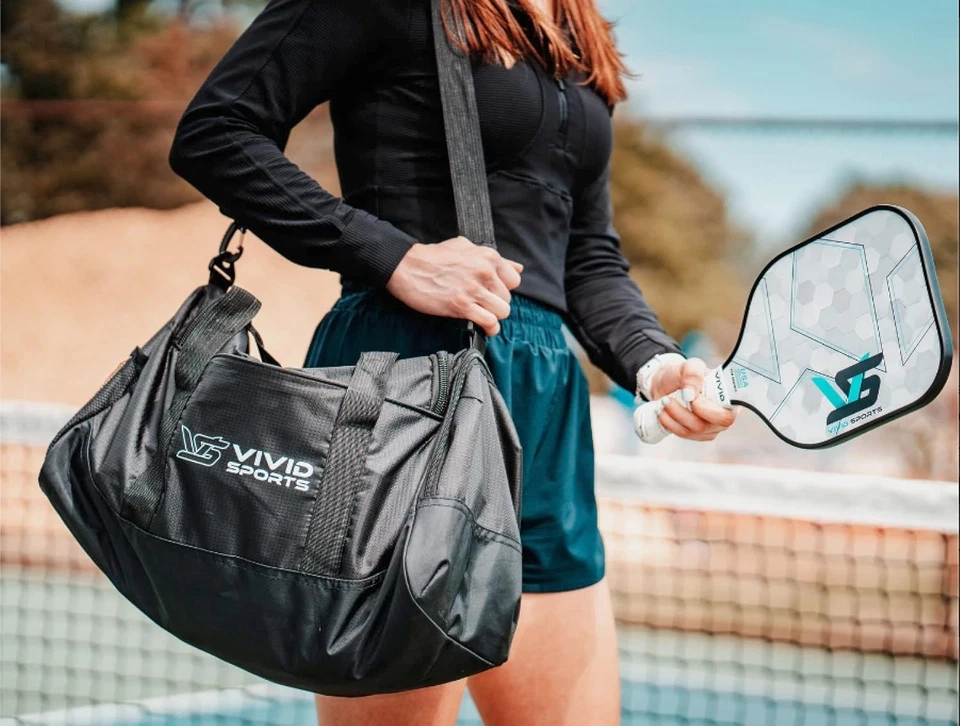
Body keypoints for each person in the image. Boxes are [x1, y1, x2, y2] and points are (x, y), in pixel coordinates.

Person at [168, 0, 737, 723]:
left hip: (543, 406)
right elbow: (216, 131)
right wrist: (393, 256)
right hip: (405, 383)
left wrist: (655, 365)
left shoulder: (577, 36)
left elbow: (586, 256)